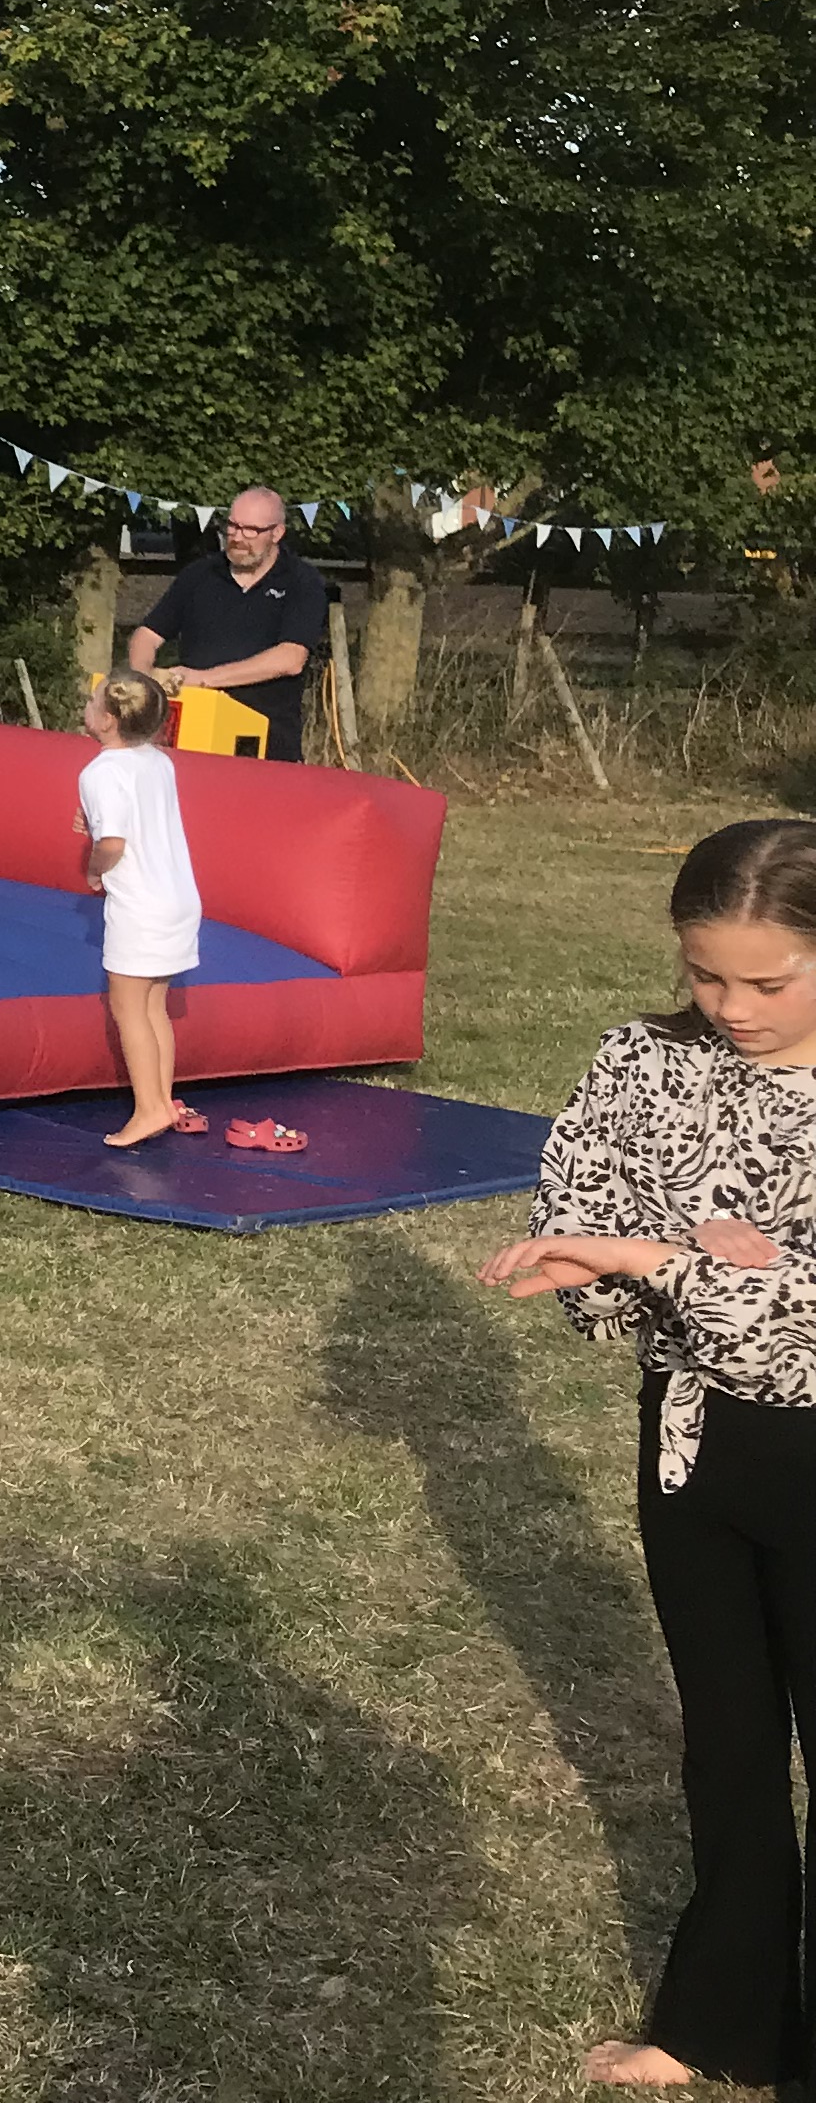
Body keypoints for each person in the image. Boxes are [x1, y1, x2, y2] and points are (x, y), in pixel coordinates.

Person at [483, 820, 816, 2093]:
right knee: (728, 1741)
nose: (729, 1007)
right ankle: (720, 2017)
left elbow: (796, 1334)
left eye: (767, 982)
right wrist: (647, 1266)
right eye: (703, 974)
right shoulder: (642, 1060)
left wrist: (652, 1256)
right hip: (692, 1450)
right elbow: (580, 1235)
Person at [77, 671, 205, 1146]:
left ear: (107, 721)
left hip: (140, 906)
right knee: (156, 1008)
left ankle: (149, 1108)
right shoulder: (158, 762)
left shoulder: (99, 771)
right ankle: (163, 1100)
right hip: (177, 899)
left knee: (127, 1008)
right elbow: (135, 811)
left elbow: (112, 840)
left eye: (92, 703)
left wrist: (94, 870)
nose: (85, 708)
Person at [129, 487, 335, 759]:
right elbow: (147, 634)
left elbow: (290, 658)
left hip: (266, 748)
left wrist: (203, 679)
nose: (237, 538)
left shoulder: (302, 582)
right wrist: (143, 680)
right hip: (191, 740)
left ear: (277, 533)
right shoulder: (199, 574)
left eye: (251, 530)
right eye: (233, 526)